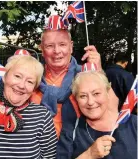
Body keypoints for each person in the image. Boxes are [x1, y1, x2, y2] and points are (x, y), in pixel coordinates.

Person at [30, 15, 119, 158]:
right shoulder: (31, 78)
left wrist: (99, 71)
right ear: (42, 48)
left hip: (79, 151)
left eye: (62, 44)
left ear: (71, 46)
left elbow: (113, 111)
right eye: (50, 46)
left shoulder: (85, 75)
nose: (57, 51)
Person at [0, 53, 57, 158]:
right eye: (17, 76)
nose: (21, 85)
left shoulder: (42, 116)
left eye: (30, 82)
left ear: (34, 88)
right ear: (4, 77)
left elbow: (49, 156)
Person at [70, 71, 137, 159]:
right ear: (76, 99)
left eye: (96, 93)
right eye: (83, 96)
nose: (90, 102)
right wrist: (89, 155)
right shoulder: (72, 129)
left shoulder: (134, 123)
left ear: (107, 93)